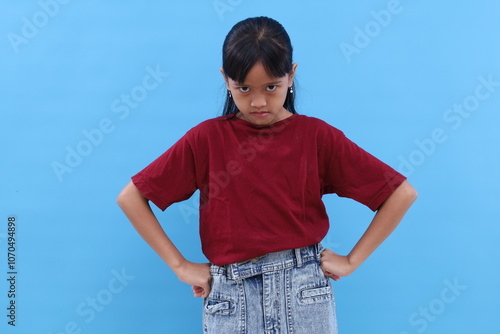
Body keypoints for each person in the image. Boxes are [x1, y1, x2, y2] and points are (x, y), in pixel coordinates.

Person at [117, 16, 417, 334]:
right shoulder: (206, 139)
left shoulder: (317, 137)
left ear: (292, 75)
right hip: (231, 300)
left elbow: (401, 193)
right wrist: (180, 267)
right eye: (243, 88)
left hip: (304, 296)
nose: (258, 101)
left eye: (271, 87)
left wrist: (352, 261)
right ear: (226, 79)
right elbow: (131, 197)